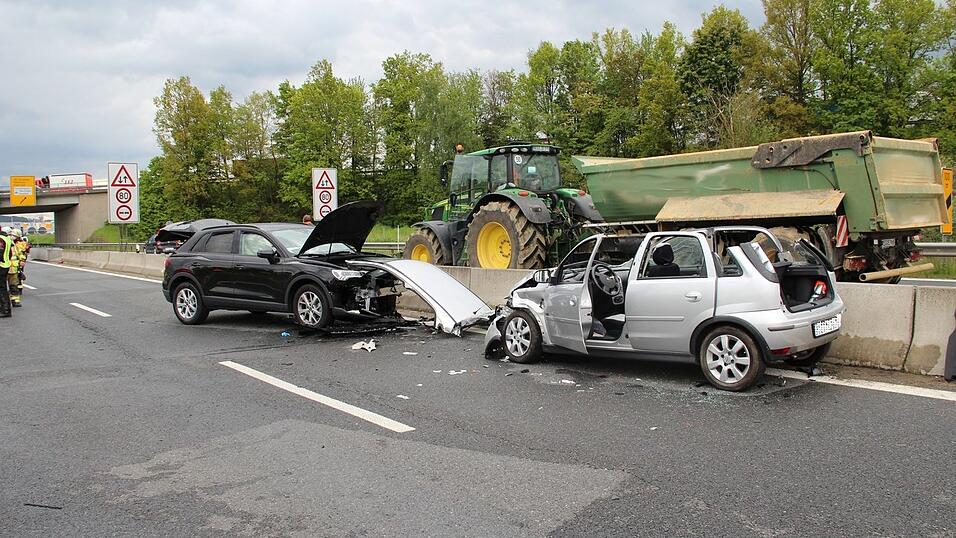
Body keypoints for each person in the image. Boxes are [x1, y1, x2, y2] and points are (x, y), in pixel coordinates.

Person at [7, 229, 23, 308]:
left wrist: (21, 261)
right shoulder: (7, 242)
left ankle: (15, 301)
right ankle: (13, 301)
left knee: (13, 285)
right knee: (11, 285)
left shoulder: (14, 244)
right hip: (6, 268)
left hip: (12, 268)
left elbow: (18, 254)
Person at [0, 228, 13, 317]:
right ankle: (4, 308)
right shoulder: (6, 238)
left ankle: (5, 310)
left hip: (1, 266)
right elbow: (10, 254)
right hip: (5, 265)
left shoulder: (0, 239)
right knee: (2, 288)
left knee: (1, 288)